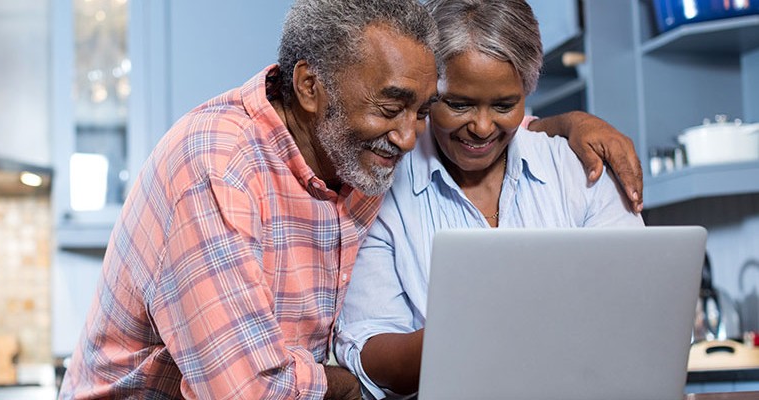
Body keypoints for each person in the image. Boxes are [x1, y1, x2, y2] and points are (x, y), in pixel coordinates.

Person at [59, 0, 642, 398]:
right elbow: (251, 393)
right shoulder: (216, 166)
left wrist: (567, 123)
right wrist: (345, 381)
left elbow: (487, 125)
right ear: (312, 86)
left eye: (421, 109)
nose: (411, 136)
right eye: (392, 108)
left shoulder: (355, 156)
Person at [333, 1, 646, 399]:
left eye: (504, 105)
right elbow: (369, 347)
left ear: (526, 93)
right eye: (458, 104)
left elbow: (642, 315)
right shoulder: (381, 188)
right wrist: (478, 331)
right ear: (429, 93)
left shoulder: (581, 171)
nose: (481, 128)